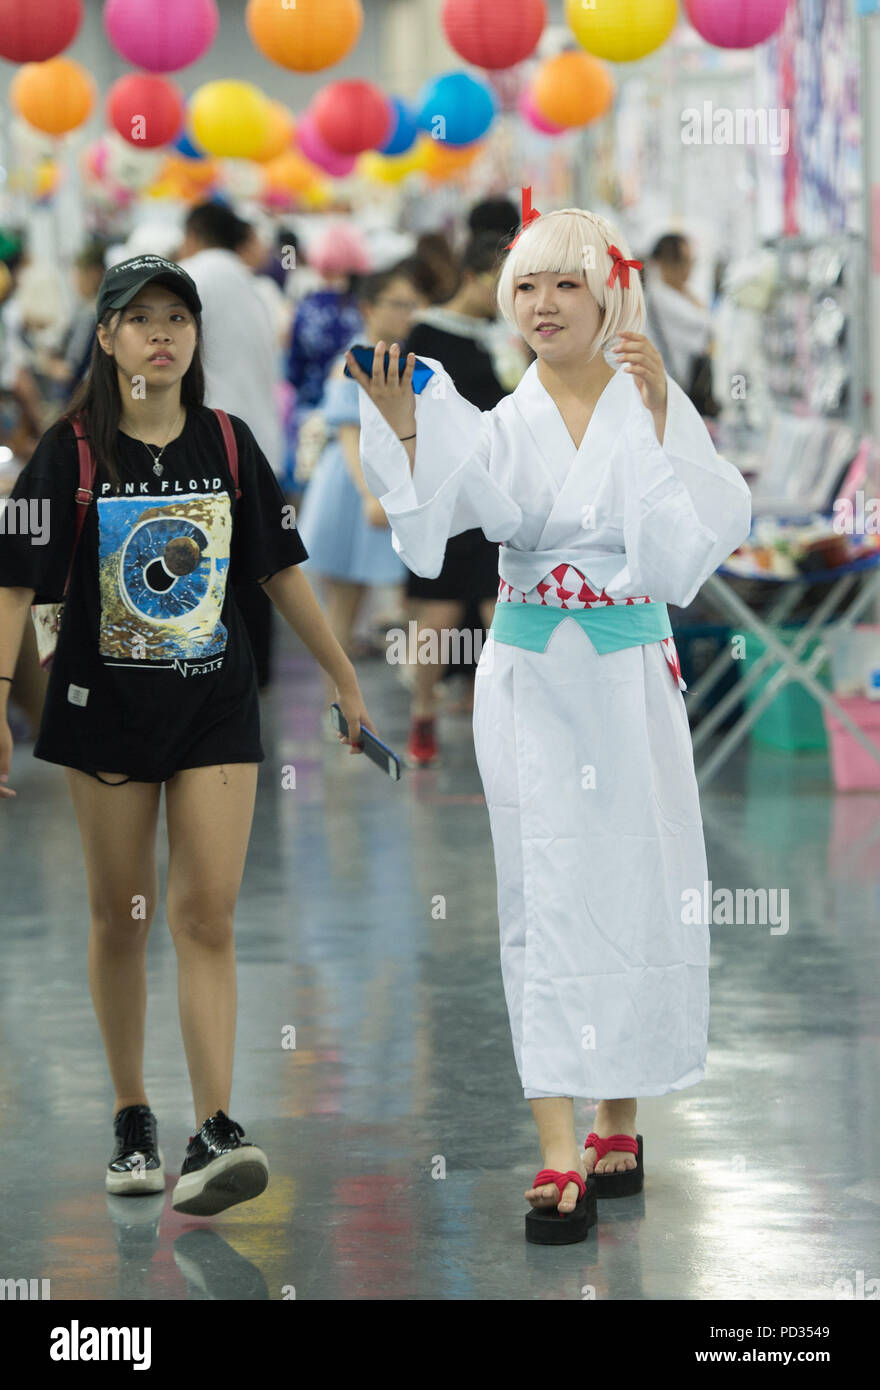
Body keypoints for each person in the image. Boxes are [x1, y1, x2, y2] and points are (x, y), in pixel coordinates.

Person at [346, 201, 751, 1243]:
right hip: (530, 680)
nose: (542, 304)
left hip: (629, 679)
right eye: (525, 285)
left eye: (565, 283)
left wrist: (659, 424)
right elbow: (433, 536)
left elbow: (684, 553)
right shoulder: (498, 422)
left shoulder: (651, 400)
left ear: (609, 290)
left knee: (641, 880)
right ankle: (558, 1144)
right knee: (544, 890)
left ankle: (620, 1115)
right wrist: (401, 434)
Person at [0, 253, 377, 1217]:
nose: (162, 333)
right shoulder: (69, 452)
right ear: (110, 338)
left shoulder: (229, 441)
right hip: (102, 713)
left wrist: (341, 673)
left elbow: (280, 568)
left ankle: (215, 1126)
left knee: (206, 914)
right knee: (120, 915)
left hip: (215, 704)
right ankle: (133, 1111)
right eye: (141, 318)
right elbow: (12, 586)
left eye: (179, 317)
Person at [401, 233, 524, 765]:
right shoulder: (427, 334)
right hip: (448, 486)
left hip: (504, 485)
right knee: (441, 610)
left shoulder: (510, 335)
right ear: (475, 277)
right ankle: (423, 710)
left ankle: (510, 720)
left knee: (504, 606)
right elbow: (408, 411)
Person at [294, 265, 420, 710]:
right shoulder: (353, 359)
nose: (407, 313)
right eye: (398, 304)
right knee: (344, 602)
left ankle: (346, 699)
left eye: (411, 304)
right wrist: (370, 495)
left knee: (361, 597)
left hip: (375, 484)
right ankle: (339, 702)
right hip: (351, 487)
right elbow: (348, 432)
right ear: (370, 307)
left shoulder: (399, 358)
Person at [177, 202, 286, 687]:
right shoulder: (253, 284)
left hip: (213, 440)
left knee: (211, 564)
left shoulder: (196, 276)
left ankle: (224, 675)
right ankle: (255, 674)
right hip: (258, 437)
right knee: (255, 566)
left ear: (195, 233)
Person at [642, 233, 719, 418]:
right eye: (685, 261)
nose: (689, 268)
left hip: (675, 389)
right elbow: (704, 327)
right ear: (666, 262)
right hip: (669, 392)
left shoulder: (670, 293)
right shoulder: (660, 297)